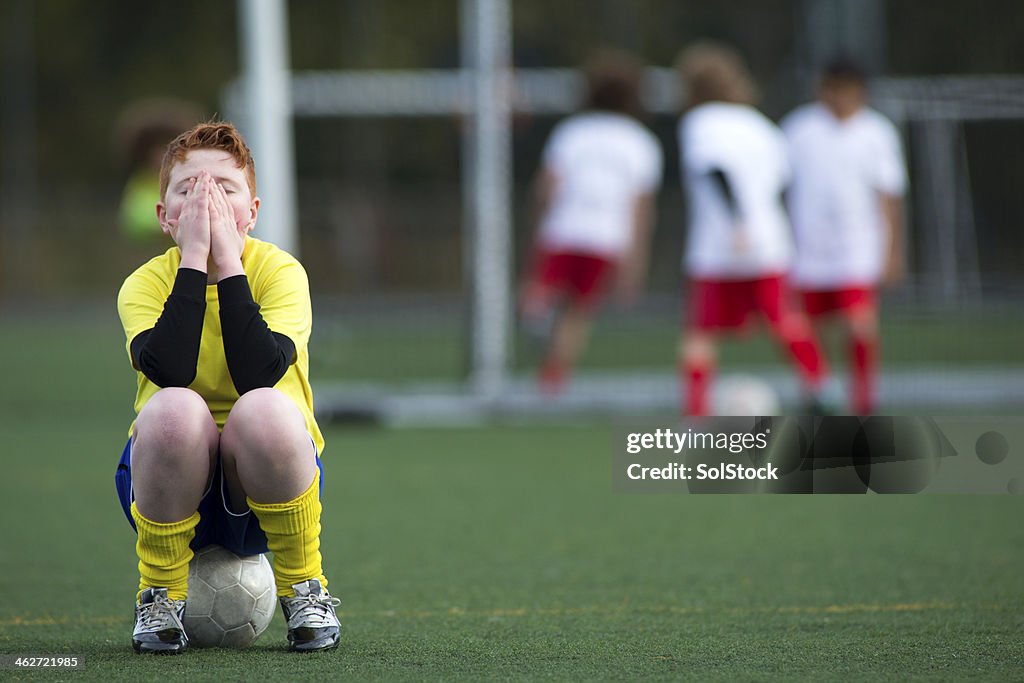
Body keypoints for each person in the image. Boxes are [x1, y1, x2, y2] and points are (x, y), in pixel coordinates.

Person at [115, 122, 339, 654]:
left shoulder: (281, 272)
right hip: (164, 482)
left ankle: (305, 586)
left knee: (264, 406)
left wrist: (229, 265)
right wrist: (194, 262)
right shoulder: (145, 284)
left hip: (268, 480)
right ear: (165, 216)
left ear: (253, 213)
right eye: (190, 190)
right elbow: (168, 370)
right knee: (174, 407)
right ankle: (160, 595)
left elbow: (259, 371)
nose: (207, 202)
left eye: (224, 189)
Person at [675, 41, 828, 416]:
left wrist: (738, 221)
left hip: (718, 245)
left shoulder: (700, 122)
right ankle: (819, 387)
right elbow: (781, 180)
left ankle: (695, 417)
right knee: (784, 320)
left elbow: (716, 169)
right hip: (769, 242)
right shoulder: (761, 126)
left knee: (700, 334)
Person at [520, 50, 662, 393]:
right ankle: (553, 377)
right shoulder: (639, 141)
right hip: (605, 238)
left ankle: (536, 321)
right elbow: (640, 209)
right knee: (577, 311)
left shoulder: (572, 132)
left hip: (563, 229)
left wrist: (537, 225)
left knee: (537, 295)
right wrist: (634, 263)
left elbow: (547, 186)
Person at [782, 57, 908, 415]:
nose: (836, 97)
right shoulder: (799, 129)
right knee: (807, 328)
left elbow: (890, 196)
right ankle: (819, 395)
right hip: (807, 249)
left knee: (859, 323)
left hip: (857, 249)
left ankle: (863, 401)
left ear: (859, 91)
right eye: (830, 88)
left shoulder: (876, 132)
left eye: (844, 89)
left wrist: (893, 252)